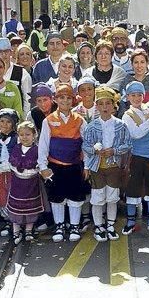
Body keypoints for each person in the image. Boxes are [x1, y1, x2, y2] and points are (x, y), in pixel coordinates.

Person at [39, 83, 88, 242]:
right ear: (55, 99)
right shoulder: (48, 120)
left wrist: (87, 165)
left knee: (75, 197)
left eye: (68, 98)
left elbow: (86, 145)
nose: (65, 101)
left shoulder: (80, 120)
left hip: (74, 166)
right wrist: (43, 166)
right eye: (61, 98)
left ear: (73, 100)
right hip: (55, 166)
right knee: (57, 197)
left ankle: (74, 225)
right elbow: (43, 144)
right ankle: (59, 225)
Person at [81, 86, 131, 243]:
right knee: (97, 197)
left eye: (107, 104)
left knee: (112, 196)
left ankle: (110, 225)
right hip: (98, 167)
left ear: (113, 106)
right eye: (101, 104)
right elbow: (85, 145)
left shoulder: (121, 125)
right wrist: (95, 152)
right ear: (97, 106)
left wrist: (114, 150)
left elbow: (127, 144)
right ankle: (98, 226)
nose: (104, 107)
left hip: (113, 167)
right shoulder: (92, 126)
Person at [122, 81, 149, 235]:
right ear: (128, 97)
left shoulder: (148, 108)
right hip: (136, 156)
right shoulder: (127, 115)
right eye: (133, 95)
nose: (136, 98)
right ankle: (131, 221)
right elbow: (136, 133)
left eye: (139, 94)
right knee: (133, 187)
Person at [6, 121, 47, 245]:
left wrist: (33, 169)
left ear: (34, 135)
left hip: (32, 184)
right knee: (16, 209)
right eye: (22, 135)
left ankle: (29, 230)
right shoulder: (16, 148)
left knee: (31, 209)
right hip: (17, 184)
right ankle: (16, 231)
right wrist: (17, 167)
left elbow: (40, 164)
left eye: (28, 134)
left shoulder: (37, 149)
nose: (25, 137)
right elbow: (12, 162)